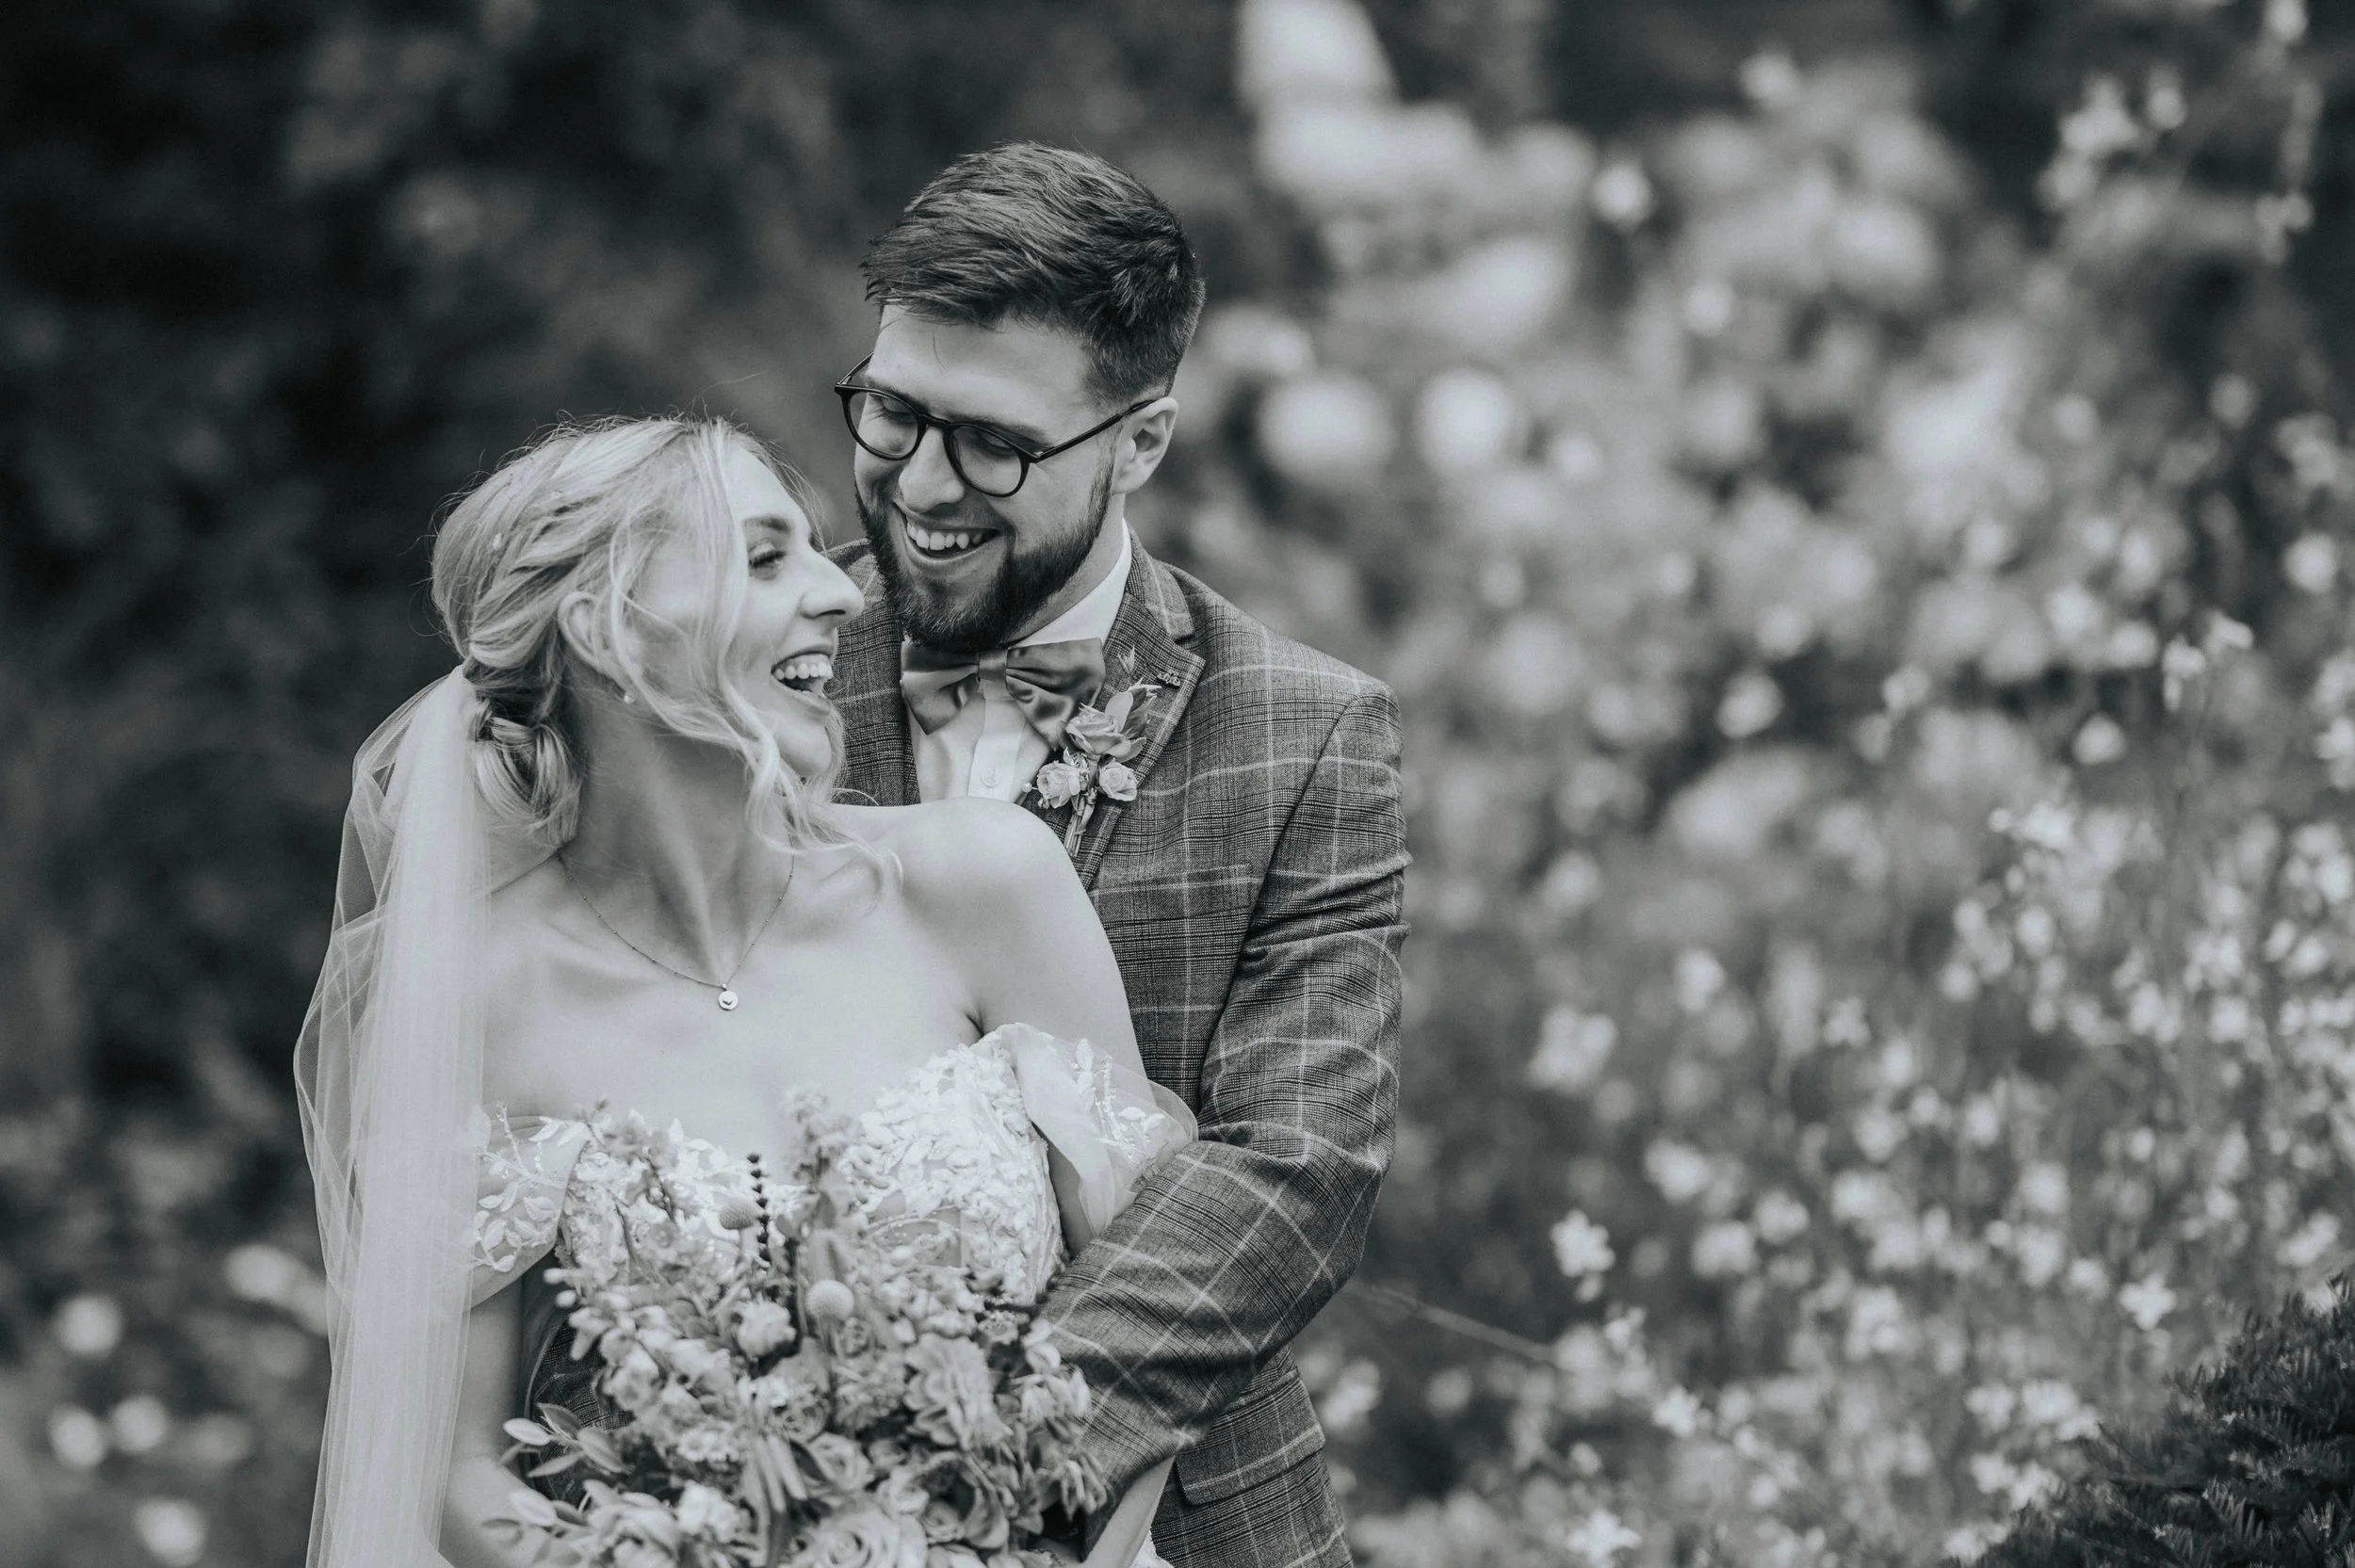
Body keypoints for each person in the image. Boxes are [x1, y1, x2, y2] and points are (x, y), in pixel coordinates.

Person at [296, 415, 1194, 1568]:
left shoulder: (985, 882)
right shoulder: (478, 1000)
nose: (843, 594)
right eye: (768, 558)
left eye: (816, 550)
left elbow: (1155, 1321)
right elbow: (454, 1463)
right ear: (610, 630)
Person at [828, 142, 1409, 1568]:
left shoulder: (1306, 733)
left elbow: (1298, 1164)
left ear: (1141, 440)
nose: (921, 483)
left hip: (1181, 1522)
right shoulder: (744, 680)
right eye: (893, 412)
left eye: (994, 443)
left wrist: (981, 1468)